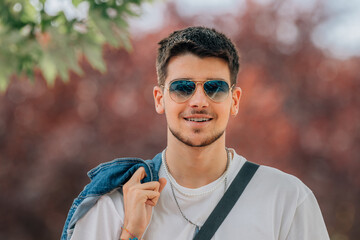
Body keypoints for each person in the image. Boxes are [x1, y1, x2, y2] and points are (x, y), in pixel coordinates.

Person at [62, 26, 330, 240]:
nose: (199, 101)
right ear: (159, 99)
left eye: (214, 87)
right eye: (182, 87)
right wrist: (130, 235)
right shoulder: (113, 204)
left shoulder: (286, 198)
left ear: (234, 101)